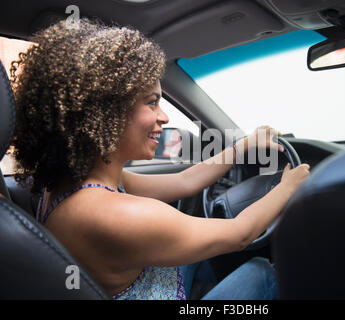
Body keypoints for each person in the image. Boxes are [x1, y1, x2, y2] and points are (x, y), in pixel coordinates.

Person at [10, 19, 310, 300]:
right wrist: (289, 187)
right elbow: (241, 234)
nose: (164, 117)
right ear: (105, 111)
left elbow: (185, 180)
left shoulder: (81, 179)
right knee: (261, 270)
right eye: (152, 102)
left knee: (209, 255)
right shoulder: (114, 216)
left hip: (155, 279)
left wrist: (244, 145)